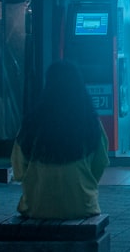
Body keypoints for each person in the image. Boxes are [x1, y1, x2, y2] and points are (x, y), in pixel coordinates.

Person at [12, 60, 109, 220]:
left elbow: (18, 171)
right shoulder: (90, 122)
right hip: (83, 205)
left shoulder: (31, 123)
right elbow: (100, 164)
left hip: (36, 207)